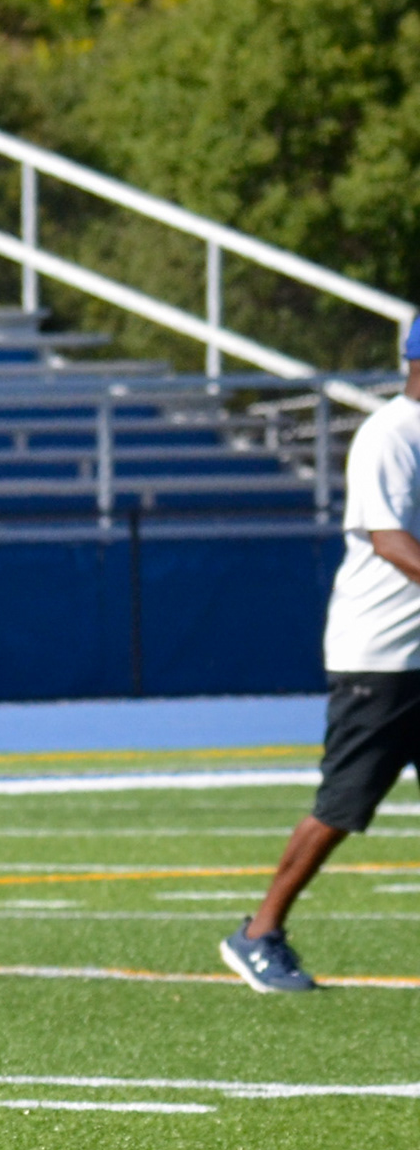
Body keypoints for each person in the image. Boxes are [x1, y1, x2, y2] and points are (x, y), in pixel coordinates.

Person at [224, 324, 420, 992]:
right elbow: (391, 542)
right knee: (342, 804)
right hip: (382, 656)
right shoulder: (391, 435)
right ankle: (258, 932)